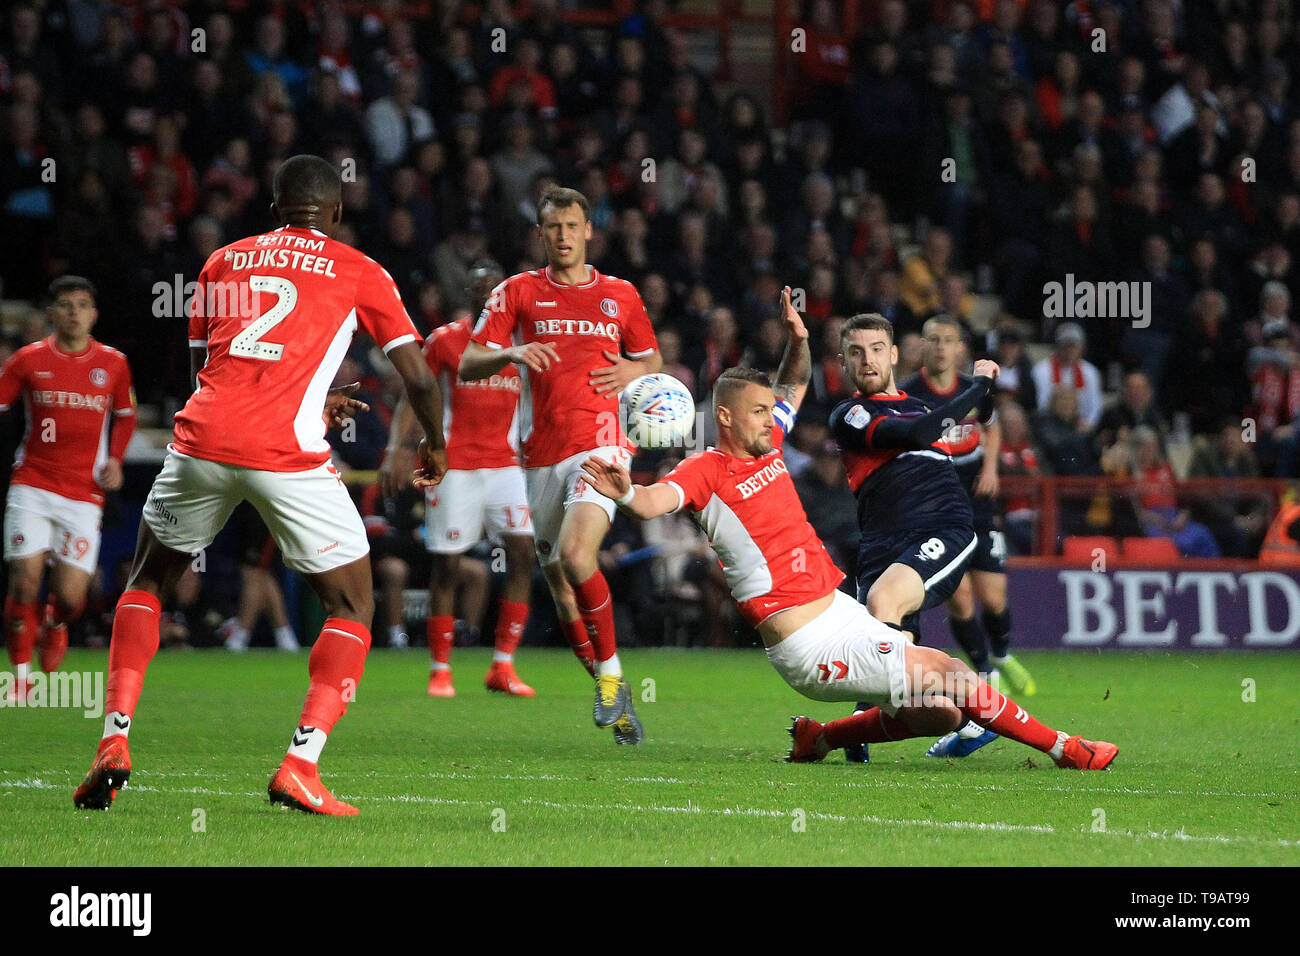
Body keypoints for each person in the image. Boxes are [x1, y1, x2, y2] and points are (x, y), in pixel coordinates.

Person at [578, 288, 1116, 771]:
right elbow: (651, 502)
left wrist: (798, 338)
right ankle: (1066, 749)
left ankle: (823, 739)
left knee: (943, 714)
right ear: (725, 419)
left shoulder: (767, 444)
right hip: (806, 642)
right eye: (761, 413)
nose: (775, 420)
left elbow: (794, 380)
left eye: (772, 411)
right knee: (950, 669)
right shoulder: (704, 470)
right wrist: (623, 489)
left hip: (839, 611)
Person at [74, 155, 449, 816]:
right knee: (353, 607)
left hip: (200, 443)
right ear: (334, 214)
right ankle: (300, 765)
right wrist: (435, 446)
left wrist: (301, 399)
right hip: (285, 455)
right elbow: (417, 376)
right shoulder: (360, 269)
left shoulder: (222, 260)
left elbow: (204, 368)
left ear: (275, 209)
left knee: (148, 584)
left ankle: (113, 741)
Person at [459, 185, 661, 745]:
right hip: (539, 455)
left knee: (577, 556)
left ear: (589, 230)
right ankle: (613, 696)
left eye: (573, 225)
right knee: (562, 586)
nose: (564, 236)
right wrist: (512, 351)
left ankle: (613, 674)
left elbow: (652, 361)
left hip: (601, 442)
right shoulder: (517, 292)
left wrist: (632, 372)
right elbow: (469, 364)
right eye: (553, 227)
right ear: (541, 234)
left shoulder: (620, 294)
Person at [828, 312, 1010, 762]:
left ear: (891, 355)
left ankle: (852, 735)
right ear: (844, 363)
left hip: (942, 528)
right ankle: (970, 723)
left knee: (883, 607)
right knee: (892, 662)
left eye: (875, 350)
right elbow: (914, 433)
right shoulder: (851, 414)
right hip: (881, 547)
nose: (866, 360)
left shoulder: (923, 408)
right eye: (855, 352)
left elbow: (981, 416)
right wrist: (979, 387)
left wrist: (983, 391)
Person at [382, 259, 537, 698]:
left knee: (523, 552)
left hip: (506, 464)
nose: (488, 295)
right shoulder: (447, 341)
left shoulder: (521, 345)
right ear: (469, 295)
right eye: (480, 288)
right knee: (448, 564)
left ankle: (503, 665)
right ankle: (440, 668)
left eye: (495, 289)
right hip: (456, 465)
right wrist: (397, 448)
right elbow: (417, 393)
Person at [900, 316, 1038, 757]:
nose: (941, 348)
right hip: (937, 499)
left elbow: (990, 424)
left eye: (949, 341)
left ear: (961, 348)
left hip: (975, 496)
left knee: (993, 596)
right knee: (960, 600)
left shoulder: (972, 387)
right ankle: (983, 679)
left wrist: (993, 467)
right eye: (934, 340)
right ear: (922, 346)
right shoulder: (909, 393)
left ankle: (999, 654)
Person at [1, 276, 136, 697]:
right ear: (52, 313)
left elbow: (127, 414)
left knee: (72, 596)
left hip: (84, 494)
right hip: (32, 483)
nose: (74, 312)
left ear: (94, 314)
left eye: (81, 305)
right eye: (65, 305)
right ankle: (21, 677)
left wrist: (115, 458)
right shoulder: (27, 360)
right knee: (24, 580)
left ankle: (56, 624)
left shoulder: (113, 363)